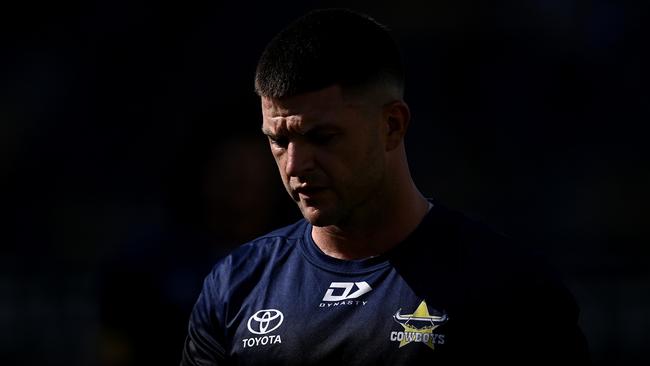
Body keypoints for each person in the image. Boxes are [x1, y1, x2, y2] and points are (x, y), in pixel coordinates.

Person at [181, 8, 590, 365]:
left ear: (391, 125)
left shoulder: (510, 288)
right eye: (279, 140)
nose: (295, 164)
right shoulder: (235, 284)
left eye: (323, 137)